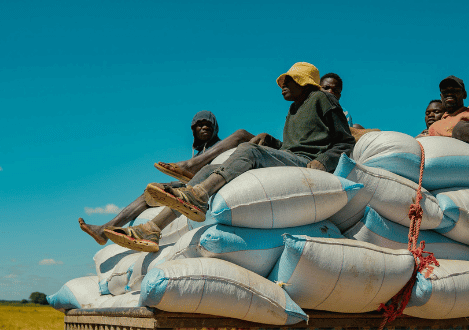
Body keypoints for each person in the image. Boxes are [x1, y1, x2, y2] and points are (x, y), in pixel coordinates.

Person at [103, 62, 356, 252]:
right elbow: (294, 145)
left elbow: (345, 141)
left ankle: (200, 197)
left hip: (307, 163)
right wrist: (271, 140)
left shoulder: (322, 99)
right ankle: (153, 228)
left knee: (247, 149)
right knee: (209, 169)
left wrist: (324, 160)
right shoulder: (293, 110)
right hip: (291, 158)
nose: (282, 86)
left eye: (288, 81)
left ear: (303, 81)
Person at [78, 111, 254, 246]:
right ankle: (105, 229)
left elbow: (244, 145)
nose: (204, 127)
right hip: (189, 182)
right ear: (193, 130)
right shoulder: (198, 152)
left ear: (215, 128)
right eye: (199, 125)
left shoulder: (223, 145)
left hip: (207, 182)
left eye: (208, 125)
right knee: (150, 191)